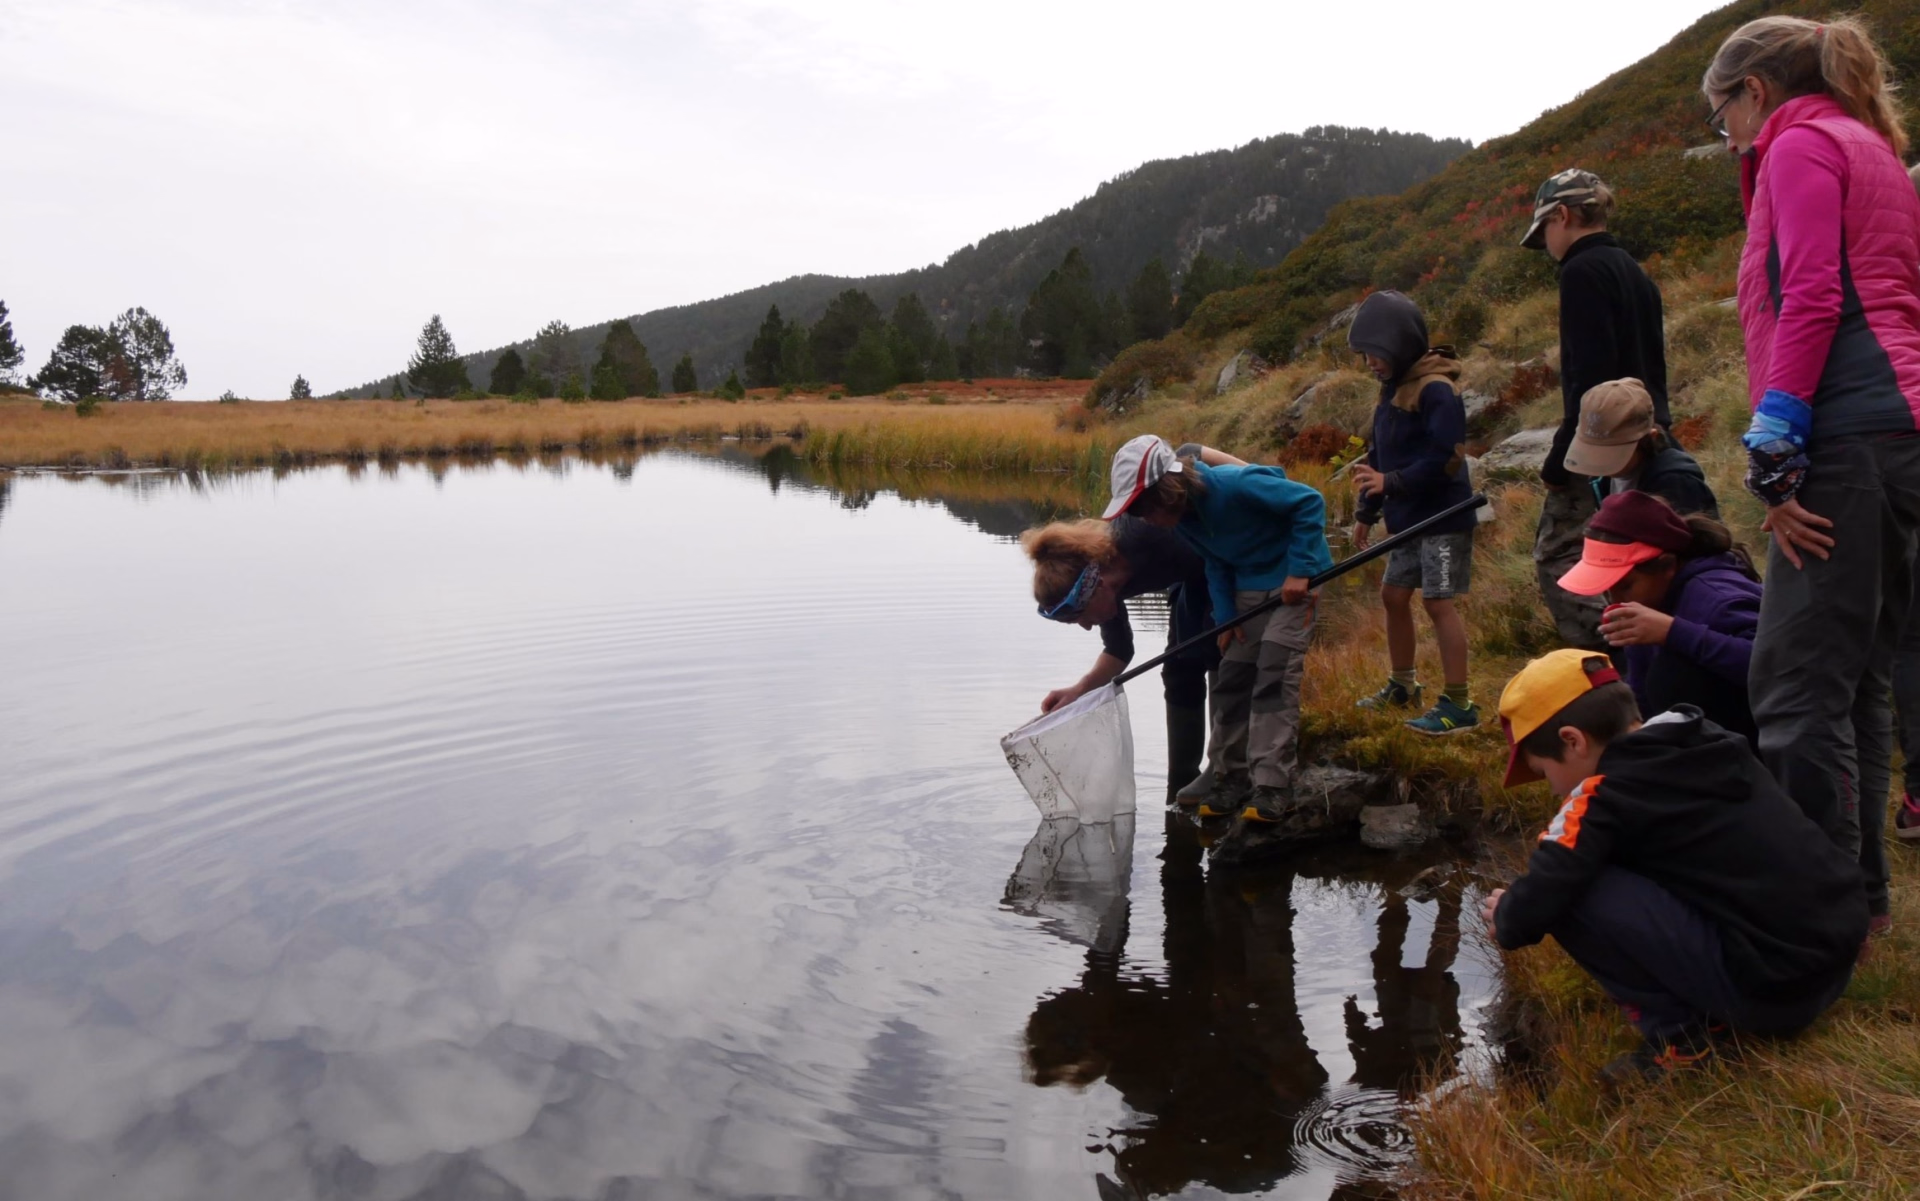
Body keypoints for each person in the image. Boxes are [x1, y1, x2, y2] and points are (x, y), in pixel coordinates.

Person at [1704, 15, 1920, 935]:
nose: (1727, 139)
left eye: (1723, 119)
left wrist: (1777, 446)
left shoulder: (1799, 148)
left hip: (1843, 436)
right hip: (1898, 430)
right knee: (1859, 676)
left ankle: (1819, 915)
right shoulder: (1869, 146)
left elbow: (1814, 295)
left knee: (1792, 690)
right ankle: (1859, 899)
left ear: (1755, 92)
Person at [1483, 650, 1865, 1083]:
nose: (1551, 788)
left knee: (1575, 892)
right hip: (1835, 960)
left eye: (1543, 770)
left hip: (1774, 995)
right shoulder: (1703, 738)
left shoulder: (1604, 796)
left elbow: (1536, 904)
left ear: (1573, 740)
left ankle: (1685, 1039)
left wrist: (1508, 911)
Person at [1108, 435, 1333, 835]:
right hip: (1247, 589)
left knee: (1273, 677)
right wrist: (1226, 619)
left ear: (1168, 488)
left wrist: (1300, 569)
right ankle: (1231, 778)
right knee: (1232, 679)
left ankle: (1272, 786)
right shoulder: (1185, 522)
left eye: (1142, 506)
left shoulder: (1236, 485)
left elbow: (1309, 502)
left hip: (1295, 585)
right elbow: (1215, 563)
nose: (1141, 517)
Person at [1521, 168, 1672, 655]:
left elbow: (1590, 381)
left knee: (1558, 558)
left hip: (1605, 445)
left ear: (1562, 216)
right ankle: (1657, 651)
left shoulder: (1582, 273)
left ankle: (1613, 657)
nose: (1546, 244)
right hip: (1650, 436)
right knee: (1635, 556)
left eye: (1545, 230)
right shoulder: (1634, 270)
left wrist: (1559, 461)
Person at [1344, 289, 1480, 735]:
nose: (1371, 364)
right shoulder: (1391, 390)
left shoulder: (1436, 389)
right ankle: (1403, 685)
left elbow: (1447, 457)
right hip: (1407, 520)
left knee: (1438, 602)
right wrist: (1367, 510)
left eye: (1376, 354)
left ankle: (1459, 704)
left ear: (1401, 345)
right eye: (1365, 356)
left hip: (1443, 517)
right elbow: (1379, 454)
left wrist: (1392, 484)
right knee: (1393, 595)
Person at [1556, 490, 1761, 745]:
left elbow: (1777, 668)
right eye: (1606, 588)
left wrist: (1673, 632)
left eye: (1625, 585)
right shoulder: (1646, 608)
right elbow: (1643, 695)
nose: (1614, 598)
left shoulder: (1717, 596)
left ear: (1667, 565)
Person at [1563, 378, 1719, 519]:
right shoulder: (1602, 479)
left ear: (1649, 437)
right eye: (1595, 451)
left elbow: (1699, 543)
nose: (1601, 462)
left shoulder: (1676, 483)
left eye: (1613, 453)